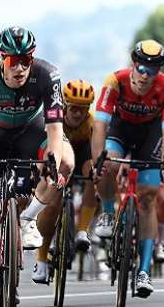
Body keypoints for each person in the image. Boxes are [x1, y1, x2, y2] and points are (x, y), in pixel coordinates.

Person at [0, 27, 74, 307]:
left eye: (27, 59)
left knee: (66, 163)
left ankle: (27, 218)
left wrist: (52, 159)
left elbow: (55, 129)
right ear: (1, 59)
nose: (21, 67)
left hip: (31, 131)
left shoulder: (48, 75)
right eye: (14, 61)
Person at [91, 39, 164, 298]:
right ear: (133, 65)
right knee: (107, 164)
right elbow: (99, 127)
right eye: (141, 68)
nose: (145, 75)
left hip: (150, 135)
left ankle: (143, 271)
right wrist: (98, 162)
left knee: (149, 195)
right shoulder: (114, 82)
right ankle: (108, 212)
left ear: (159, 72)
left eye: (152, 71)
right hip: (119, 129)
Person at [31, 79, 98, 283]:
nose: (78, 113)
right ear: (66, 105)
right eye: (75, 108)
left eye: (83, 109)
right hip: (58, 153)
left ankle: (83, 231)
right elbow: (42, 148)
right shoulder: (53, 117)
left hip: (81, 152)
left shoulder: (91, 123)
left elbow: (94, 153)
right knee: (52, 201)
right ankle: (41, 260)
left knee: (92, 175)